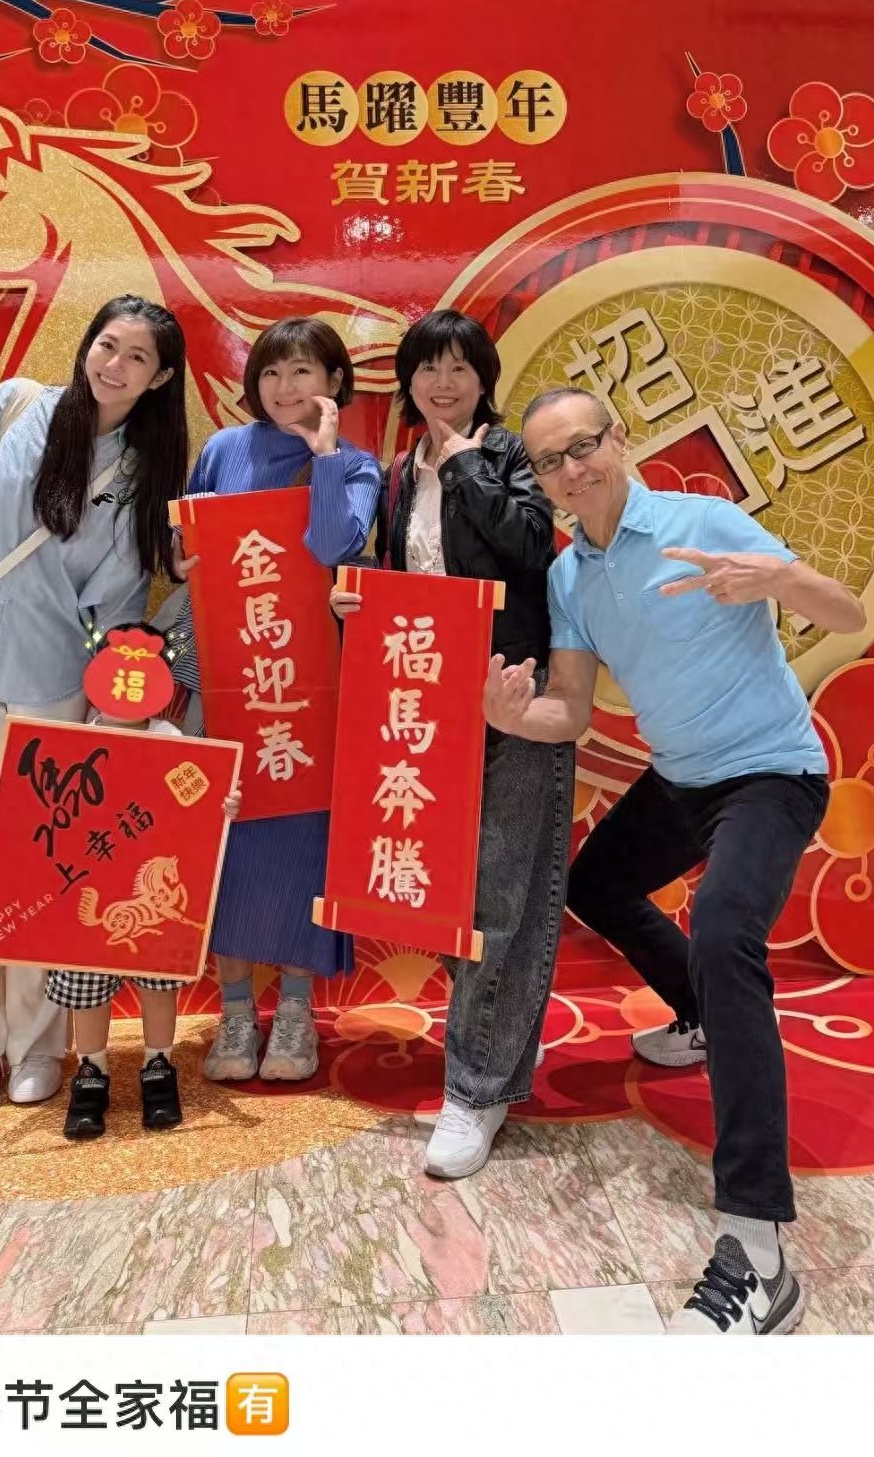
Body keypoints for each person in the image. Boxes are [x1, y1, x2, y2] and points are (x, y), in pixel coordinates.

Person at [483, 388, 866, 1336]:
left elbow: (848, 612)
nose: (572, 470)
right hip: (683, 778)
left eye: (584, 446)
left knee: (726, 935)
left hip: (771, 774)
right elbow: (570, 712)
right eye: (550, 462)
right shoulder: (571, 577)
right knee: (597, 881)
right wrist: (508, 716)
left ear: (619, 440)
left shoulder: (705, 524)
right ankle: (698, 1017)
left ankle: (757, 1248)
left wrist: (776, 579)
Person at [0, 295, 188, 1124]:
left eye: (137, 357)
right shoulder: (15, 406)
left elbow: (119, 604)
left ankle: (37, 1044)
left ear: (160, 378)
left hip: (56, 681)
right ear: (87, 345)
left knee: (40, 868)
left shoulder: (141, 474)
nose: (115, 365)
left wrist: (116, 715)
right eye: (108, 345)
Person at [332, 310, 573, 1178]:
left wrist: (468, 462)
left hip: (514, 694)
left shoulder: (510, 455)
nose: (443, 383)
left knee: (503, 894)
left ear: (484, 380)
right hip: (431, 701)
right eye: (428, 367)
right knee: (449, 894)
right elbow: (416, 581)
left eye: (460, 368)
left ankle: (474, 1091)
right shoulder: (400, 472)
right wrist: (359, 600)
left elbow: (530, 546)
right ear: (407, 380)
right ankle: (492, 1062)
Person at [172, 317, 383, 1085]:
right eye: (271, 372)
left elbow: (333, 547)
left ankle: (296, 1012)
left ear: (334, 382)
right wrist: (184, 555)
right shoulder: (225, 450)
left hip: (309, 689)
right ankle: (235, 1012)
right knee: (224, 845)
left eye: (302, 371)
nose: (285, 387)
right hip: (227, 681)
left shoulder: (356, 464)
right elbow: (184, 546)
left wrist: (324, 457)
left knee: (302, 845)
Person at [0, 689, 242, 1141]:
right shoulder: (75, 742)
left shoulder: (173, 740)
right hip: (89, 887)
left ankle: (159, 1065)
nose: (126, 695)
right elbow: (32, 811)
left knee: (158, 985)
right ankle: (91, 1072)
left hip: (152, 898)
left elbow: (200, 801)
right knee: (87, 990)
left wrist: (224, 806)